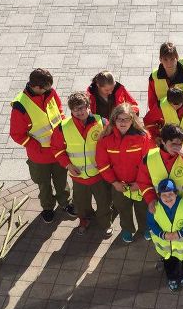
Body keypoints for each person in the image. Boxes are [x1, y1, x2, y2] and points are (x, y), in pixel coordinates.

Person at [9, 68, 74, 222]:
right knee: (44, 184)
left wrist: (63, 125)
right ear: (36, 87)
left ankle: (64, 202)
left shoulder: (49, 92)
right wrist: (35, 146)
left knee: (61, 180)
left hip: (58, 150)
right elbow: (17, 134)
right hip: (39, 155)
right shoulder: (20, 106)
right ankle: (47, 207)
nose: (50, 90)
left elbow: (58, 108)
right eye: (46, 88)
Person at [51, 92, 112, 237]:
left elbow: (111, 145)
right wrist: (67, 165)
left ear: (88, 106)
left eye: (82, 107)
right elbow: (56, 148)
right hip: (78, 176)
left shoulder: (102, 123)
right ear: (71, 110)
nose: (79, 112)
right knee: (81, 204)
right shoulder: (63, 127)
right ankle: (84, 221)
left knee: (104, 202)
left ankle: (105, 223)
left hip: (99, 175)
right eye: (75, 109)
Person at [96, 103, 153, 243]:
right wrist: (114, 183)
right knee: (123, 209)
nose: (123, 122)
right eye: (120, 119)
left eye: (126, 119)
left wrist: (140, 183)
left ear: (132, 120)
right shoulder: (105, 139)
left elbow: (148, 163)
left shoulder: (143, 137)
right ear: (114, 119)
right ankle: (127, 229)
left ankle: (146, 228)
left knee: (143, 207)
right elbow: (102, 164)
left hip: (140, 184)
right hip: (119, 185)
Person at [138, 124, 183, 217]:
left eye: (180, 144)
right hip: (166, 210)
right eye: (173, 144)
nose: (178, 148)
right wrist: (151, 200)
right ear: (163, 141)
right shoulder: (149, 158)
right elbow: (143, 182)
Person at [147, 179, 183, 292]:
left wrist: (180, 233)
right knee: (169, 263)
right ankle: (172, 278)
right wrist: (163, 235)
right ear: (159, 195)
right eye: (164, 195)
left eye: (171, 194)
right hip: (168, 246)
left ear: (176, 193)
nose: (168, 197)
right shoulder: (154, 208)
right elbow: (151, 224)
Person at [146, 41, 183, 113]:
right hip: (163, 117)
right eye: (165, 59)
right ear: (160, 59)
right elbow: (152, 102)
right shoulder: (154, 76)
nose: (169, 63)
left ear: (177, 58)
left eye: (172, 59)